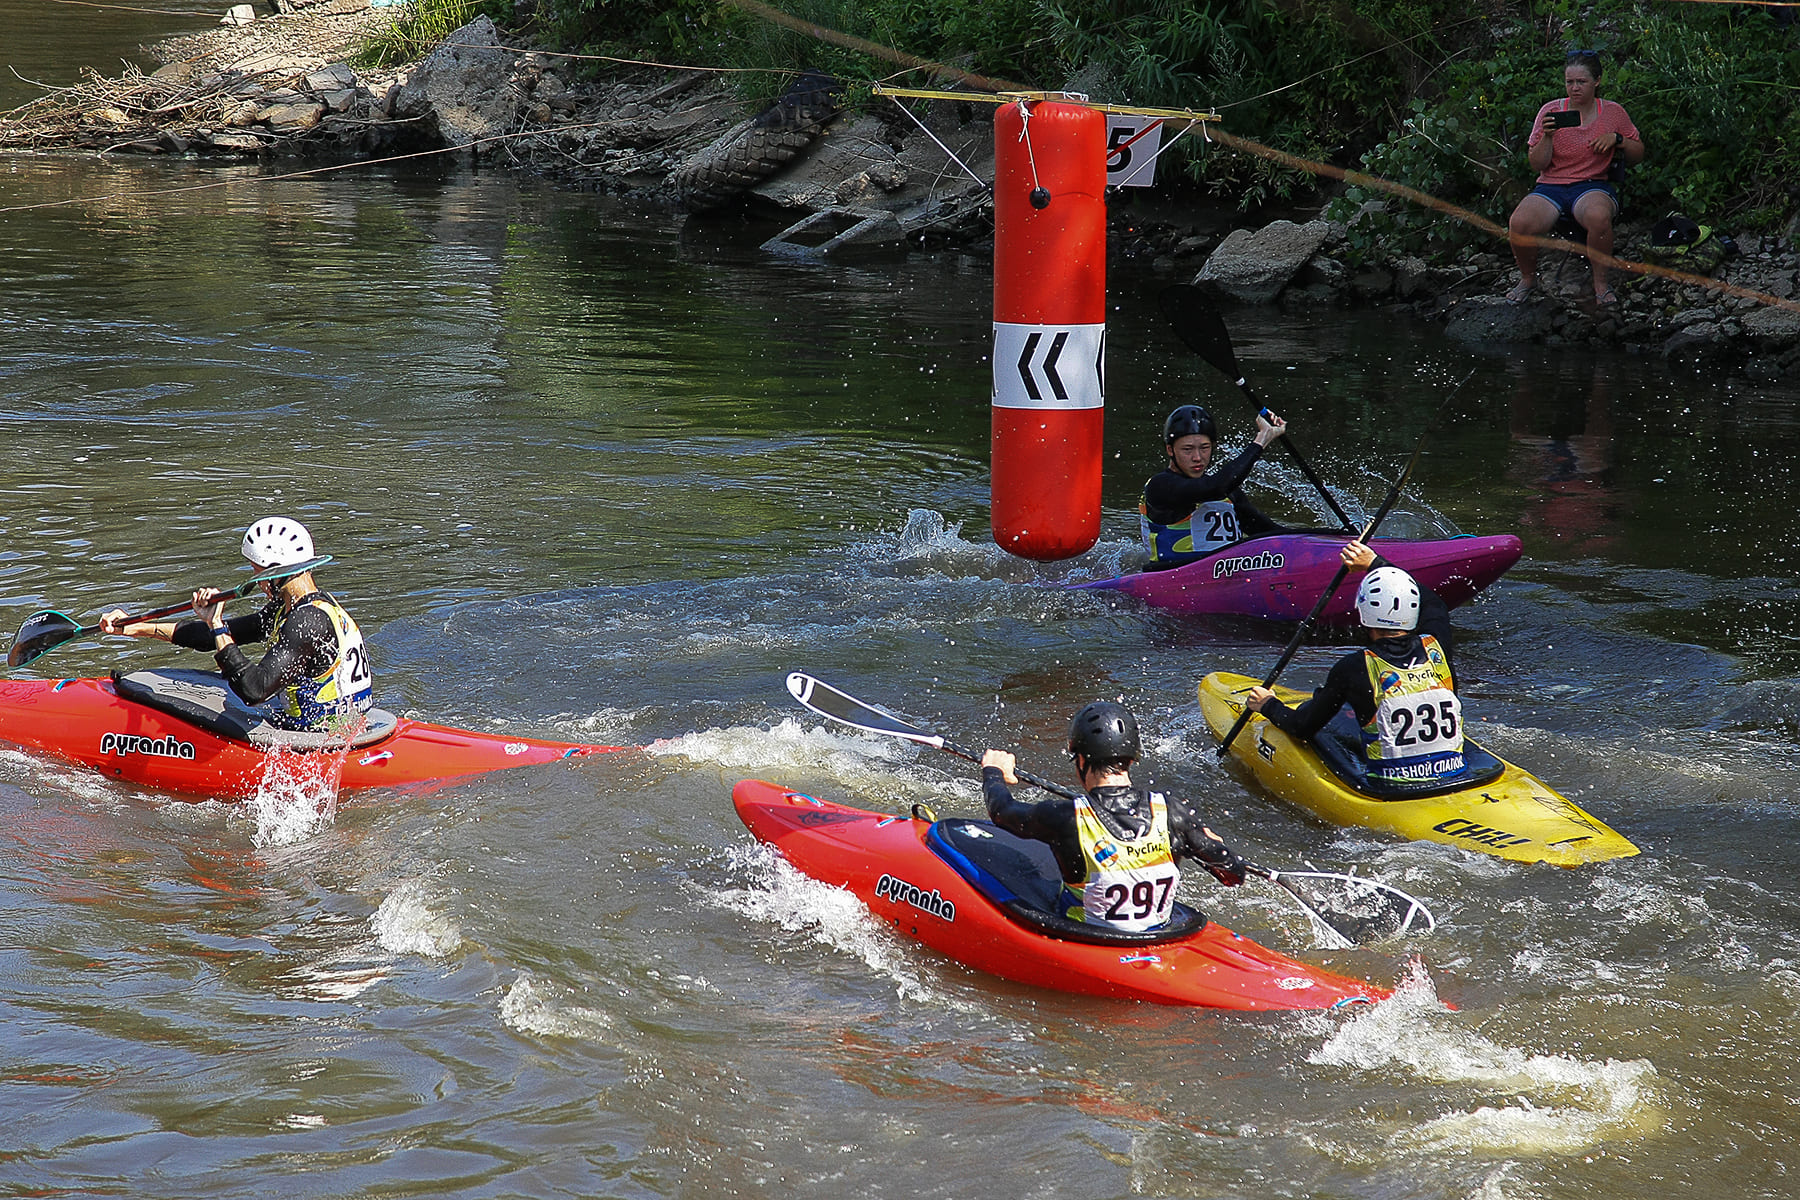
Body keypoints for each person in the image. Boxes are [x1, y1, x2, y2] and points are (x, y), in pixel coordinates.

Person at [978, 701, 1249, 933]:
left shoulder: (1065, 817)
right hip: (1159, 937)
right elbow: (1234, 875)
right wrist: (1214, 845)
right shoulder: (1171, 812)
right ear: (1130, 760)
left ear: (1081, 761)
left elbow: (1002, 813)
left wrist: (993, 773)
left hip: (1088, 937)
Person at [100, 516, 373, 733]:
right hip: (345, 726)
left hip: (321, 737)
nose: (255, 580)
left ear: (277, 570)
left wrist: (216, 623)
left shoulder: (307, 621)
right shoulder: (301, 607)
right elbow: (210, 637)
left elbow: (254, 691)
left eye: (256, 570)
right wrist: (134, 628)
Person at [1244, 541, 1465, 787]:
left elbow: (1302, 727)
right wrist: (1374, 562)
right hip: (1453, 771)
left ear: (1363, 612)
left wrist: (1268, 705)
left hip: (1393, 786)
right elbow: (1434, 604)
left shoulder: (1354, 667)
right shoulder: (1437, 646)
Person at [1505, 49, 1644, 307]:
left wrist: (1618, 139)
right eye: (1570, 82)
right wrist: (1547, 136)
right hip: (1551, 185)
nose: (1575, 88)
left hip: (1592, 184)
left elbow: (1638, 154)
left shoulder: (1612, 112)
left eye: (1581, 82)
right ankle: (1527, 278)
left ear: (1596, 81)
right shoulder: (1550, 110)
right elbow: (1536, 164)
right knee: (1519, 222)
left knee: (1598, 217)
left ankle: (1600, 283)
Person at [1138, 403, 1288, 569]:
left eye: (1204, 448)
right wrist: (1262, 439)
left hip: (1227, 574)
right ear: (1170, 450)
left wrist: (1310, 538)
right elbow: (1213, 488)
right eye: (1187, 449)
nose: (1197, 457)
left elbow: (1268, 532)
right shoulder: (1160, 486)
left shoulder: (1229, 494)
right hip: (1174, 574)